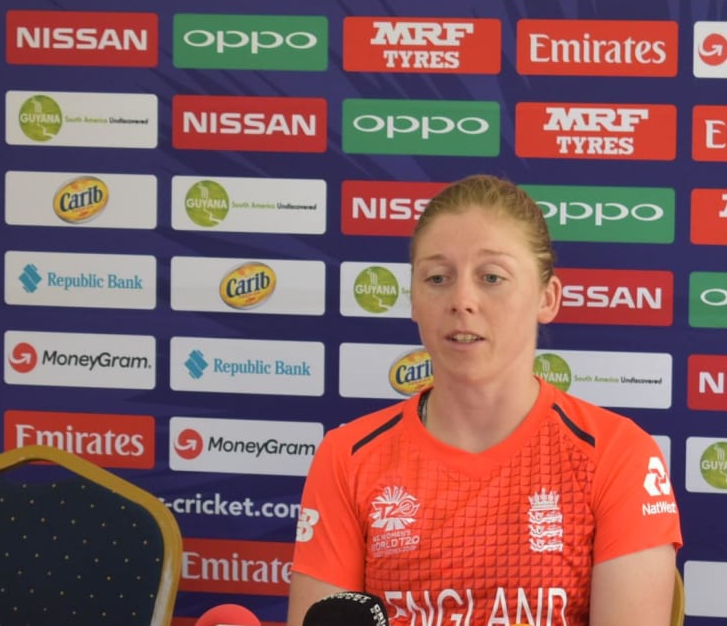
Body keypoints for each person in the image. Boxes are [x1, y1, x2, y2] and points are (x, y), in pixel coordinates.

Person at [287, 174, 683, 626]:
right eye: (437, 278)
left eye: (492, 277)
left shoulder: (618, 455)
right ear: (413, 300)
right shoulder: (349, 457)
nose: (462, 300)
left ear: (547, 297)